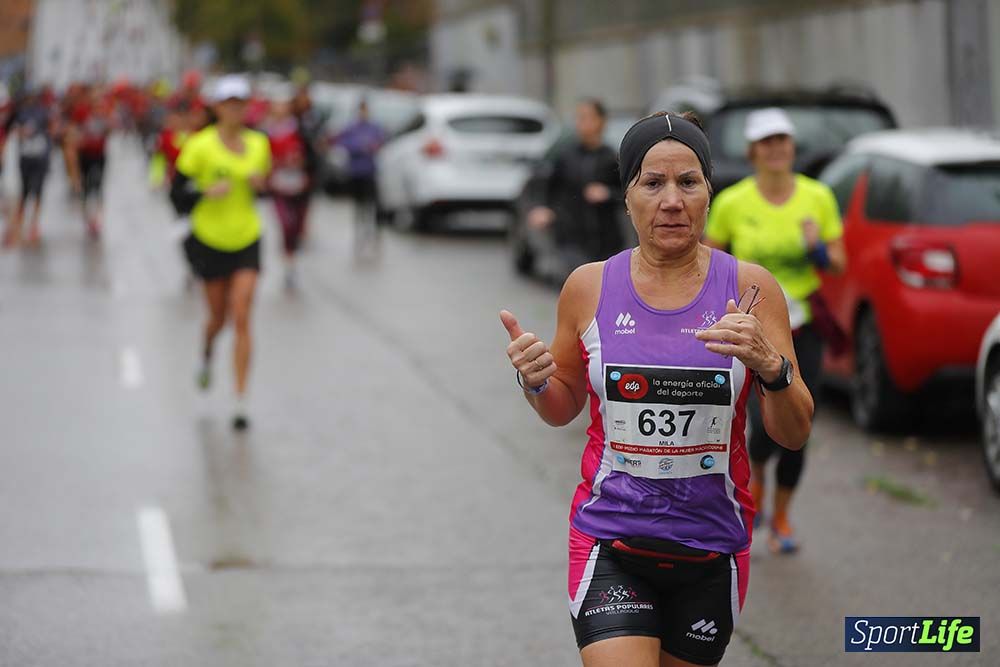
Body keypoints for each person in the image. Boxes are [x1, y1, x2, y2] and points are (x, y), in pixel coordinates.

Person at [500, 111, 814, 666]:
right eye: (653, 183)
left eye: (688, 182)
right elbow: (562, 406)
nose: (672, 200)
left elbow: (792, 434)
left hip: (713, 545)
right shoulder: (588, 286)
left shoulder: (751, 289)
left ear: (709, 193)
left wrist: (771, 368)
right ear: (627, 197)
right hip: (610, 538)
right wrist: (534, 381)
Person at [703, 107, 846, 554]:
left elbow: (839, 263)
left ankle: (781, 516)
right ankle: (757, 488)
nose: (776, 149)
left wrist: (816, 248)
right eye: (766, 143)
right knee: (760, 430)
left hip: (803, 323)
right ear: (752, 152)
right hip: (752, 329)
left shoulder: (817, 197)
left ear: (792, 147)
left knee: (801, 416)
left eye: (782, 140)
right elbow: (711, 265)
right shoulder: (732, 202)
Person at [170, 75, 271, 431]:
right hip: (209, 239)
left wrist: (262, 187)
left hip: (246, 237)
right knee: (218, 319)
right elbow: (176, 195)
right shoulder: (199, 146)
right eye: (228, 103)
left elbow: (263, 190)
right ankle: (207, 355)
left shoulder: (259, 144)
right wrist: (204, 191)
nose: (235, 109)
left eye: (240, 103)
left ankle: (240, 400)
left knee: (242, 314)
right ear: (216, 107)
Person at [527, 98, 623, 277]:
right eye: (580, 118)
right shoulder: (565, 156)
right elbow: (547, 187)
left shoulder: (612, 158)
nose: (583, 124)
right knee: (576, 283)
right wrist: (543, 209)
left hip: (606, 239)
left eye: (589, 118)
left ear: (602, 122)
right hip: (570, 236)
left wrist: (607, 193)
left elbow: (628, 195)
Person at [264, 96, 313, 288]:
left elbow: (311, 157)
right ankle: (288, 260)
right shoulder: (266, 133)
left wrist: (303, 165)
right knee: (286, 223)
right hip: (278, 186)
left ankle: (291, 258)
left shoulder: (300, 130)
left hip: (299, 186)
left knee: (296, 227)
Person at [2, 92, 54, 248]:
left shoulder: (43, 112)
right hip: (25, 159)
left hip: (40, 158)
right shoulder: (19, 114)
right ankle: (20, 225)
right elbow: (7, 130)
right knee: (24, 193)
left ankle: (33, 224)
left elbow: (51, 130)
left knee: (37, 191)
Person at [336, 98, 385, 249]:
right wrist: (358, 147)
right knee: (358, 205)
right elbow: (341, 141)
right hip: (356, 171)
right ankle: (360, 231)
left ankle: (374, 232)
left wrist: (374, 146)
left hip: (370, 172)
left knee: (373, 204)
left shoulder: (374, 128)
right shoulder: (352, 128)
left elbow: (383, 140)